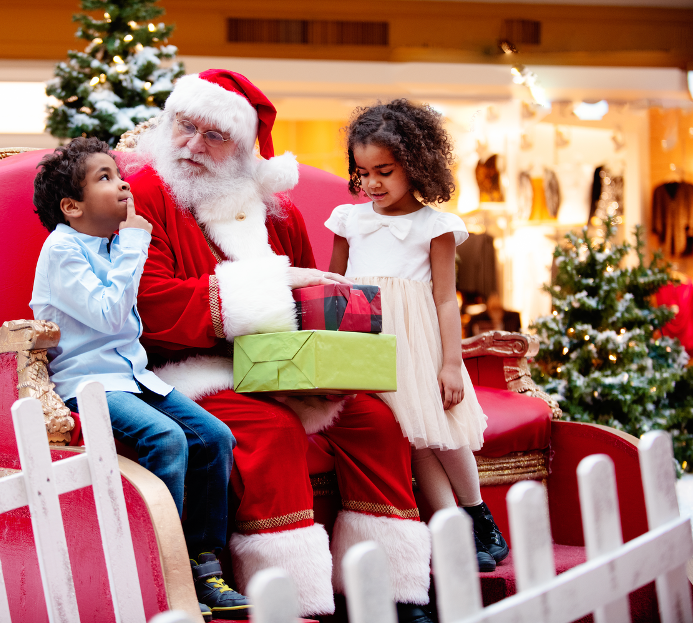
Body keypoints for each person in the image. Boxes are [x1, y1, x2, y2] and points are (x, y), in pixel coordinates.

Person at [126, 70, 435, 622]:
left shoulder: (278, 210)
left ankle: (387, 592)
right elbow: (153, 304)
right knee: (270, 430)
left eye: (215, 135)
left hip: (284, 365)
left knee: (374, 420)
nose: (193, 146)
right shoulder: (146, 197)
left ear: (244, 150)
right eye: (184, 126)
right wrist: (268, 293)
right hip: (191, 367)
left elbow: (313, 290)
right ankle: (291, 601)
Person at [29, 138, 250, 621]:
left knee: (215, 437)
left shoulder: (111, 246)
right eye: (104, 178)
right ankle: (159, 570)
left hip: (134, 377)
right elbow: (109, 316)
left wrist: (127, 245)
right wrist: (134, 241)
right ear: (72, 206)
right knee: (166, 439)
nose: (122, 183)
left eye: (119, 173)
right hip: (87, 383)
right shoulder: (62, 249)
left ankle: (202, 563)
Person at [326, 100, 509, 572]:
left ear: (416, 163)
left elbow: (446, 300)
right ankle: (451, 533)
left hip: (420, 346)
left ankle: (477, 516)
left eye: (384, 170)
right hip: (372, 342)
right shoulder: (349, 221)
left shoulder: (436, 226)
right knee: (414, 436)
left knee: (441, 433)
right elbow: (335, 288)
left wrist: (452, 363)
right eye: (363, 172)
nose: (372, 184)